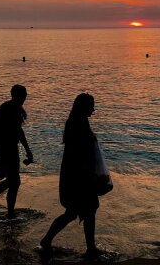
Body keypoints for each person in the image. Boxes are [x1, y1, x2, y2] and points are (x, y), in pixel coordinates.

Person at [40, 93, 104, 258]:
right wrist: (91, 174)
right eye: (91, 106)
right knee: (87, 210)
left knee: (75, 212)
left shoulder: (78, 121)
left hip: (75, 174)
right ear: (84, 107)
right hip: (78, 176)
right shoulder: (77, 124)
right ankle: (90, 249)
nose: (93, 109)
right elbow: (77, 154)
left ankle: (48, 240)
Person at [0, 84, 33, 218]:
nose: (24, 98)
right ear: (14, 95)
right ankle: (8, 212)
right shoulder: (10, 108)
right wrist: (27, 150)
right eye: (22, 95)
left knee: (13, 181)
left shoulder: (13, 107)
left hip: (7, 147)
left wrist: (26, 149)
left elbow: (17, 131)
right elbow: (17, 131)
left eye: (25, 95)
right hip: (5, 148)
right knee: (14, 181)